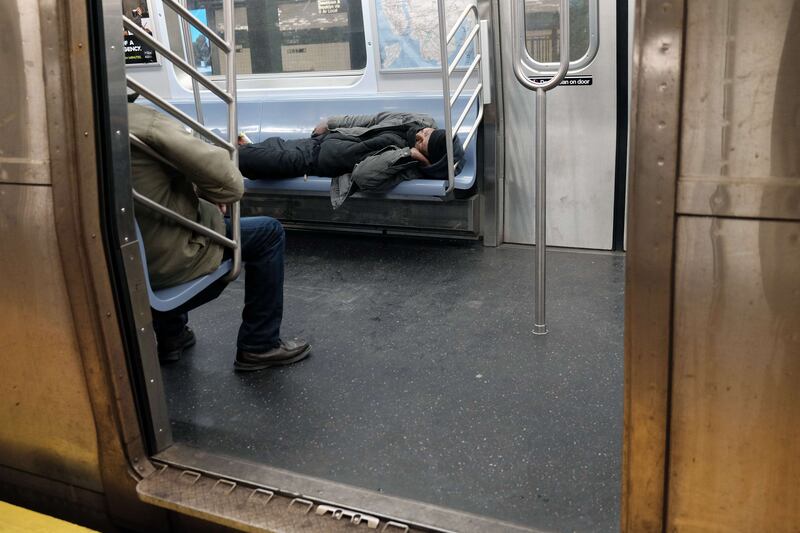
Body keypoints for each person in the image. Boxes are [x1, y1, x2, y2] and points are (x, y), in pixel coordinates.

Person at [127, 100, 310, 371]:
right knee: (269, 232)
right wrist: (204, 191)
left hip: (126, 261)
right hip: (168, 261)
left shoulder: (73, 129)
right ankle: (259, 344)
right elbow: (231, 186)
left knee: (159, 221)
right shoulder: (144, 122)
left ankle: (172, 336)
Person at [237, 112, 466, 208]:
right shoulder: (413, 121)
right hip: (320, 141)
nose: (420, 134)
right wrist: (332, 122)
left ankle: (210, 162)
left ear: (427, 157)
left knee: (247, 159)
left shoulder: (407, 165)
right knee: (256, 155)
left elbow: (364, 176)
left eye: (422, 142)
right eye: (426, 133)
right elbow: (371, 120)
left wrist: (407, 154)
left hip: (312, 161)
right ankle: (218, 159)